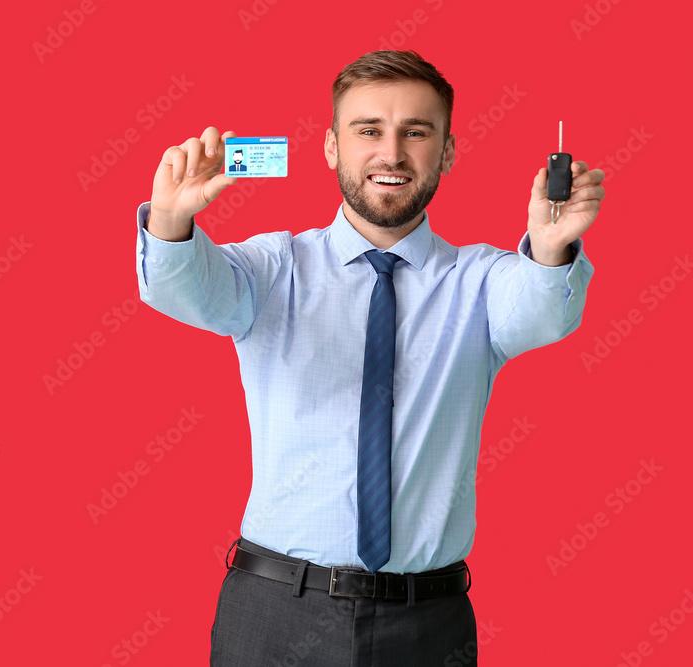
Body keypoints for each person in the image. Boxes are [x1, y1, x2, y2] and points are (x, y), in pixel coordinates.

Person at [133, 50, 604, 666]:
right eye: (368, 131)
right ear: (331, 148)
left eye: (416, 131)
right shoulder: (273, 268)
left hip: (428, 623)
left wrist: (548, 247)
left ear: (448, 151)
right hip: (275, 612)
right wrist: (170, 222)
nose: (392, 153)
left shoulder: (483, 281)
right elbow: (187, 288)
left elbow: (544, 311)